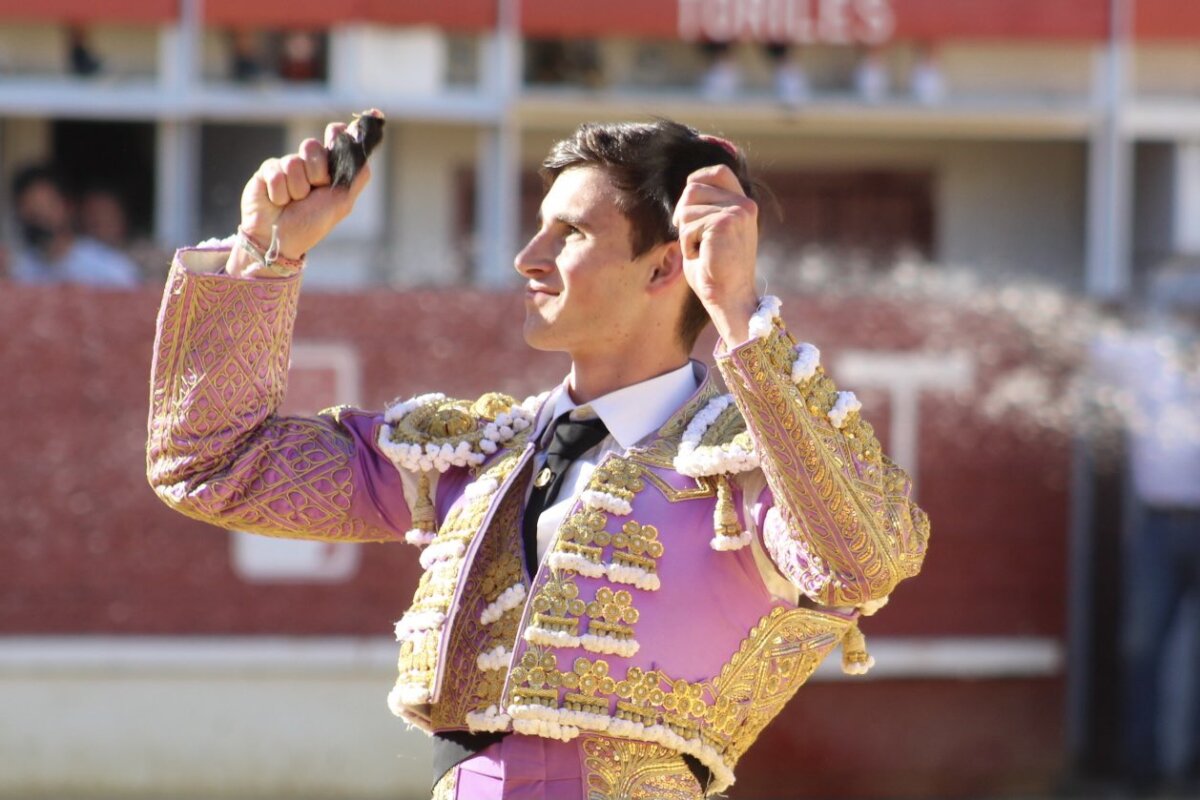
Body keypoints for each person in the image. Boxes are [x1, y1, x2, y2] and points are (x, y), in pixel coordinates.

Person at [146, 119, 929, 799]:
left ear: (665, 268)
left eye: (571, 234)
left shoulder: (744, 470)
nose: (528, 255)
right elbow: (212, 462)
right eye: (540, 226)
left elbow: (863, 560)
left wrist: (741, 317)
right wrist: (265, 252)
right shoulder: (475, 455)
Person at [1091, 267, 1200, 796]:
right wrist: (1113, 313)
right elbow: (1094, 345)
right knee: (1142, 648)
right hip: (1158, 525)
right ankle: (1141, 771)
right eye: (1186, 315)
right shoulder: (1148, 358)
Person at [9, 164, 139, 288]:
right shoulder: (18, 270)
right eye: (31, 211)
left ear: (67, 207)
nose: (39, 218)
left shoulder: (108, 268)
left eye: (45, 206)